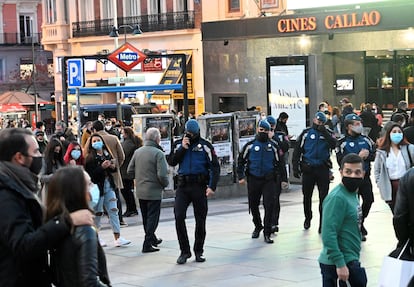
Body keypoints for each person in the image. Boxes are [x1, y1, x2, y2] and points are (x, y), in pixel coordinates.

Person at [0, 128, 93, 287]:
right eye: (36, 152)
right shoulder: (6, 195)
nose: (40, 156)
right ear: (19, 157)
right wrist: (66, 221)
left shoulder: (19, 184)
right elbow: (23, 245)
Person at [46, 166, 111, 287]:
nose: (93, 188)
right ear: (77, 192)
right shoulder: (85, 231)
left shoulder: (59, 226)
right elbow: (90, 282)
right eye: (89, 184)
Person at [168, 119, 220, 264]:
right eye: (188, 132)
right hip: (183, 186)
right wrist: (183, 148)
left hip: (199, 185)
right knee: (179, 216)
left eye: (192, 133)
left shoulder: (205, 146)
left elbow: (215, 167)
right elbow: (172, 161)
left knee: (200, 219)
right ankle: (184, 251)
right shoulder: (179, 143)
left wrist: (212, 186)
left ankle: (199, 250)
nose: (190, 135)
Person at [319, 153, 367, 287]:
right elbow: (328, 234)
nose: (352, 176)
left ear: (363, 173)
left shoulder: (353, 194)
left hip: (350, 259)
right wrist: (340, 264)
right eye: (348, 172)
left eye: (357, 172)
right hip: (338, 265)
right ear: (341, 172)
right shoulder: (337, 198)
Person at [237, 120, 287, 242]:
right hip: (254, 178)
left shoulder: (274, 146)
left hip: (269, 180)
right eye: (261, 130)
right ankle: (258, 226)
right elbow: (241, 161)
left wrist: (284, 179)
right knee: (253, 205)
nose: (263, 132)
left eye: (266, 130)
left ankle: (267, 232)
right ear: (257, 130)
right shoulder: (250, 145)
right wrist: (240, 176)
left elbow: (281, 163)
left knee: (269, 205)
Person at [292, 112, 337, 233]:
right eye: (318, 122)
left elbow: (334, 144)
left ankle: (323, 223)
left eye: (322, 122)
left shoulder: (328, 133)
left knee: (324, 198)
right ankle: (308, 217)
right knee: (307, 196)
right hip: (308, 168)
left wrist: (325, 133)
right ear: (314, 120)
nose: (319, 124)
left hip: (322, 168)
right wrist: (295, 167)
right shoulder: (306, 133)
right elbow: (297, 150)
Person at [85, 133, 131, 247]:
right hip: (98, 187)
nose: (97, 143)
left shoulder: (107, 154)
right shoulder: (90, 158)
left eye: (98, 140)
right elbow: (90, 174)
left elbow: (114, 169)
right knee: (98, 212)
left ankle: (118, 236)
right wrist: (101, 167)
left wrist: (111, 166)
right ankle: (96, 236)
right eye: (94, 141)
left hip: (109, 185)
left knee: (114, 210)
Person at [127, 127, 169, 253]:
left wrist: (139, 177)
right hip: (154, 191)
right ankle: (147, 243)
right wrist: (164, 184)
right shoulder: (158, 153)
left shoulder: (138, 152)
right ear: (157, 139)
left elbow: (130, 171)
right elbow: (162, 175)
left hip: (140, 190)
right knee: (153, 218)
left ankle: (152, 239)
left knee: (146, 217)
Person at [336, 113, 375, 241]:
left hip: (365, 176)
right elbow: (341, 160)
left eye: (360, 123)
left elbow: (373, 154)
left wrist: (367, 156)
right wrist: (359, 157)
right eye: (356, 124)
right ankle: (353, 228)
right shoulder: (342, 142)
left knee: (369, 200)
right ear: (349, 126)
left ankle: (360, 222)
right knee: (353, 204)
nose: (359, 126)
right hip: (350, 178)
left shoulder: (366, 140)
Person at [86, 120, 127, 226]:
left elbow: (86, 155)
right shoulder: (113, 138)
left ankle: (98, 225)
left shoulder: (91, 139)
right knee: (115, 198)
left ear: (94, 129)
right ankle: (119, 220)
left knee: (99, 200)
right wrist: (116, 166)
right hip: (113, 173)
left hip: (97, 176)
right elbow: (122, 156)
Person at [374, 122, 414, 213]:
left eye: (399, 132)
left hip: (406, 184)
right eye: (394, 132)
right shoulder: (382, 152)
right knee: (396, 214)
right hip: (390, 186)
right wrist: (380, 183)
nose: (397, 134)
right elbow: (377, 170)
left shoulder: (409, 148)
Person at [120, 127, 142, 217]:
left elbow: (122, 154)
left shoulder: (128, 143)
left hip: (125, 171)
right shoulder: (133, 141)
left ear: (126, 134)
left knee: (126, 191)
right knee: (128, 190)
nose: (122, 134)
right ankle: (132, 208)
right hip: (128, 170)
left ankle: (131, 209)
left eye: (122, 133)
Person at [39, 138, 66, 202]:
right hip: (49, 192)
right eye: (56, 150)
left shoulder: (59, 161)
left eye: (59, 151)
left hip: (61, 191)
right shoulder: (44, 161)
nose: (57, 153)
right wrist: (54, 176)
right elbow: (41, 177)